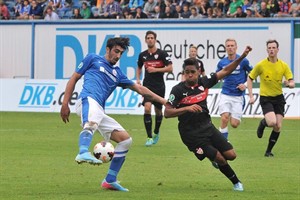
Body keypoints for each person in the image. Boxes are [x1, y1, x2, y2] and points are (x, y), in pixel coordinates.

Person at [60, 37, 167, 192]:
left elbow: (141, 89)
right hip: (87, 99)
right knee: (91, 123)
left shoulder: (118, 74)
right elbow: (74, 78)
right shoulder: (92, 58)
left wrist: (164, 102)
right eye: (116, 51)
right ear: (108, 49)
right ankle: (83, 151)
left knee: (125, 140)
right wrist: (65, 103)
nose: (118, 56)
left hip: (99, 110)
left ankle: (110, 180)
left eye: (121, 53)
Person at [164, 46, 252, 192]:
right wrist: (186, 108)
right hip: (191, 135)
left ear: (198, 72)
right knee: (220, 158)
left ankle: (213, 156)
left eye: (193, 72)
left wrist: (242, 56)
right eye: (187, 72)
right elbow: (167, 112)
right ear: (183, 73)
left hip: (207, 127)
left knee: (231, 155)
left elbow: (225, 71)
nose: (190, 75)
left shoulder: (204, 82)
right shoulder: (178, 90)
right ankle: (236, 182)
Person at [247, 39, 295, 157]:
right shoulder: (261, 65)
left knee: (278, 126)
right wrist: (251, 95)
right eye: (269, 48)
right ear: (267, 50)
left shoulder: (283, 65)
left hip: (278, 98)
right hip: (266, 98)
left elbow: (292, 82)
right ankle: (263, 123)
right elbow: (250, 78)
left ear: (278, 50)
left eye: (274, 48)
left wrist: (289, 84)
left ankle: (268, 151)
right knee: (272, 122)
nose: (271, 50)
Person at [136, 31, 173, 146]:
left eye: (152, 38)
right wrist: (138, 79)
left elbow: (170, 68)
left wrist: (156, 70)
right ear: (146, 40)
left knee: (158, 111)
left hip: (159, 86)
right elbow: (139, 67)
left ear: (155, 40)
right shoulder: (143, 55)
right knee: (147, 108)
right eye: (148, 38)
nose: (150, 40)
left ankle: (156, 131)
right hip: (147, 85)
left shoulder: (162, 54)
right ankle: (149, 137)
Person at [216, 39, 252, 139]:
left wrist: (245, 84)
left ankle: (236, 115)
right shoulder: (222, 62)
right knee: (224, 118)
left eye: (232, 45)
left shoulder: (243, 61)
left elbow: (252, 74)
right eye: (228, 46)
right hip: (226, 94)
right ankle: (223, 142)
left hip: (238, 96)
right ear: (225, 48)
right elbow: (217, 75)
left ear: (236, 47)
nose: (230, 47)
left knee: (234, 124)